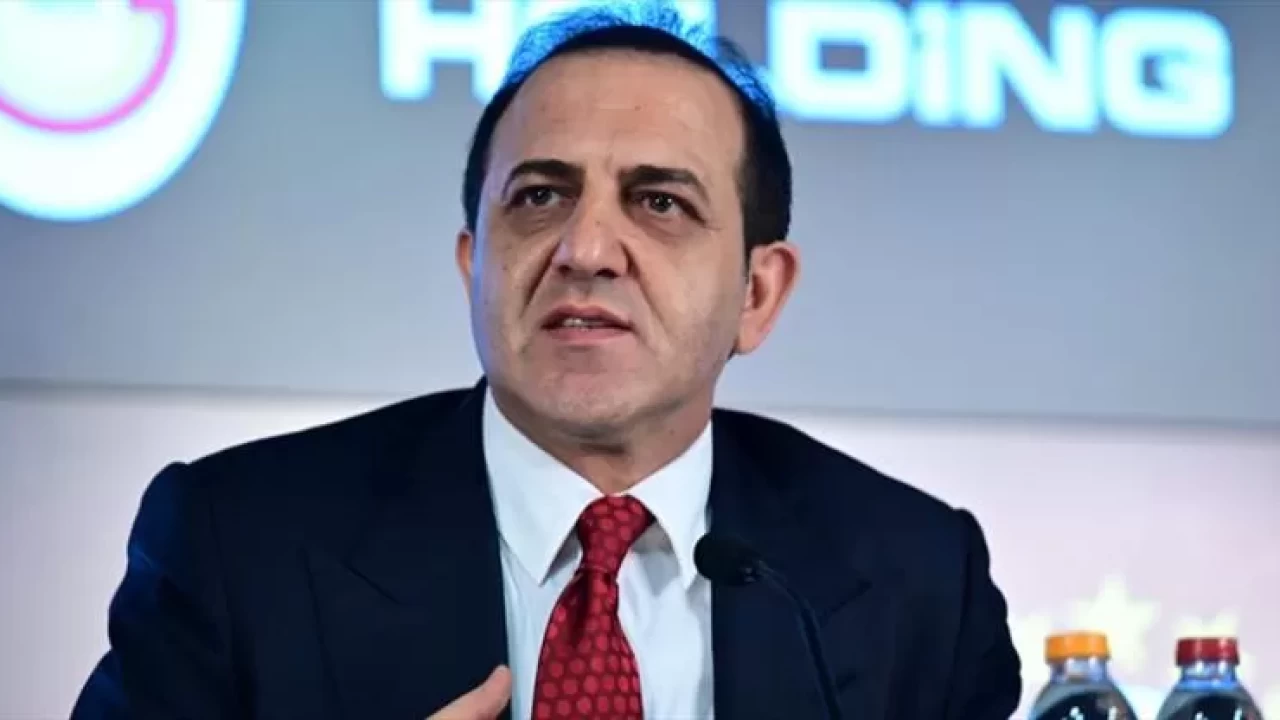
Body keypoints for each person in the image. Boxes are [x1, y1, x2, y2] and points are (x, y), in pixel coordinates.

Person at [72, 5, 1021, 720]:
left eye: (660, 203)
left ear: (757, 294)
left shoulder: (917, 582)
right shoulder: (239, 545)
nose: (586, 249)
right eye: (538, 197)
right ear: (473, 265)